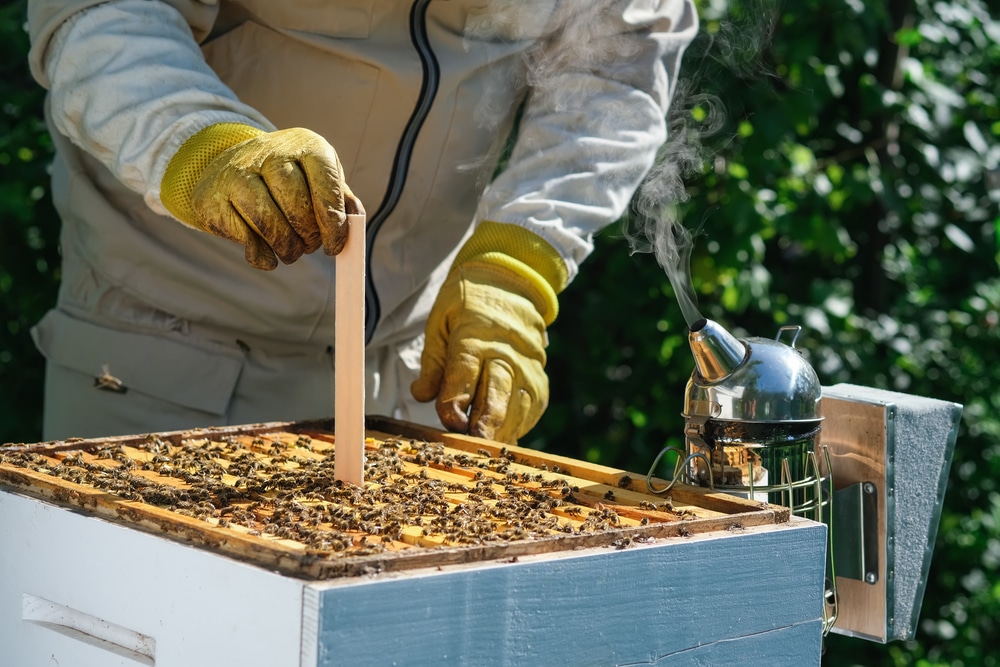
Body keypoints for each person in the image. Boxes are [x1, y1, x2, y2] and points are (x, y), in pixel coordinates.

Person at [26, 0, 698, 444]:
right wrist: (200, 144)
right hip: (160, 353)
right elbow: (105, 12)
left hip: (405, 377)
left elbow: (617, 60)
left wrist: (516, 265)